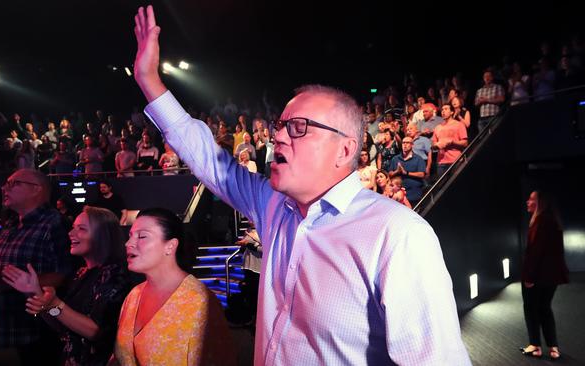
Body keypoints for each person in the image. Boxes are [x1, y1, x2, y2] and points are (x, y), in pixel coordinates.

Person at [132, 6, 470, 365]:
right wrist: (149, 80)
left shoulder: (397, 236)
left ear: (344, 149)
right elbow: (207, 159)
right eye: (281, 125)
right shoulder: (273, 206)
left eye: (298, 127)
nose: (278, 136)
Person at [1, 206, 132, 366]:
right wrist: (36, 294)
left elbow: (96, 332)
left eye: (81, 229)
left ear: (102, 236)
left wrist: (55, 304)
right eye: (73, 228)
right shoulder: (81, 273)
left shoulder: (114, 274)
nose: (70, 234)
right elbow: (62, 324)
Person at [114, 208, 236, 365]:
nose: (128, 243)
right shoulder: (133, 296)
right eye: (130, 236)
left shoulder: (200, 303)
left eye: (142, 236)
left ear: (170, 246)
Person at [0, 169, 72, 365]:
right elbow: (2, 271)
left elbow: (63, 275)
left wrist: (4, 284)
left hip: (34, 333)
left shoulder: (54, 223)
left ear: (36, 189)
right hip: (3, 329)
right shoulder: (11, 223)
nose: (4, 188)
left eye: (13, 183)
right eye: (6, 183)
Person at [520, 191, 569, 361]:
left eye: (531, 199)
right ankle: (553, 347)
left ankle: (535, 346)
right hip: (551, 277)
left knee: (531, 309)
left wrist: (529, 277)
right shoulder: (554, 221)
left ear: (540, 203)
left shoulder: (540, 222)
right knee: (545, 309)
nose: (527, 201)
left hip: (536, 276)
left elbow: (535, 253)